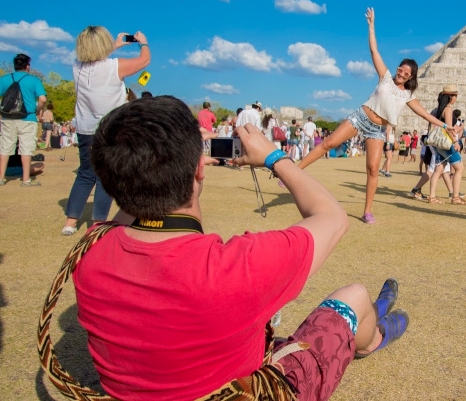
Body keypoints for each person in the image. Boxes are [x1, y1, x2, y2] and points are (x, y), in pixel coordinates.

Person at [73, 96, 408, 400]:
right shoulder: (234, 266)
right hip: (244, 391)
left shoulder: (90, 253)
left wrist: (146, 167)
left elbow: (126, 207)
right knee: (355, 296)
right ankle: (371, 337)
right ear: (200, 169)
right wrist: (274, 157)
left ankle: (371, 319)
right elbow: (333, 218)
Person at [291, 8, 452, 223]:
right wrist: (371, 26)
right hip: (361, 117)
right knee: (328, 143)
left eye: (406, 73)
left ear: (411, 77)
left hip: (377, 129)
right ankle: (294, 171)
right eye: (400, 69)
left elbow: (425, 115)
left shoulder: (408, 95)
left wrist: (444, 125)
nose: (401, 73)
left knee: (373, 169)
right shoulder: (385, 77)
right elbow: (374, 51)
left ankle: (367, 211)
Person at [61, 28, 150, 234]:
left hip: (85, 128)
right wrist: (143, 43)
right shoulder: (115, 66)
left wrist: (115, 46)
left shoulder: (77, 66)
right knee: (105, 176)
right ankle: (97, 223)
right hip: (110, 128)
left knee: (85, 174)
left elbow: (94, 57)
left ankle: (70, 223)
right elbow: (144, 61)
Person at [0, 54, 47, 186]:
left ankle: (1, 177)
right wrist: (38, 109)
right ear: (27, 66)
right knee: (26, 148)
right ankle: (26, 179)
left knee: (5, 147)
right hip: (27, 117)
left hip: (8, 117)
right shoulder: (33, 80)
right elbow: (42, 99)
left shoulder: (4, 79)